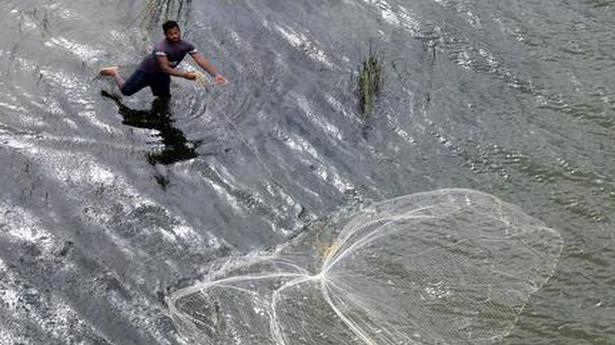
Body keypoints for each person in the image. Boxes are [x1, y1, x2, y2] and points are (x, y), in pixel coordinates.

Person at [100, 20, 227, 98]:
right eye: (171, 34)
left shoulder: (186, 45)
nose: (175, 36)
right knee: (126, 92)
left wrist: (216, 75)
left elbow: (200, 60)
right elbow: (165, 68)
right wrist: (185, 75)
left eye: (176, 33)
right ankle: (115, 72)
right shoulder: (161, 47)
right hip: (146, 72)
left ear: (179, 31)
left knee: (164, 98)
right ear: (166, 34)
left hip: (162, 76)